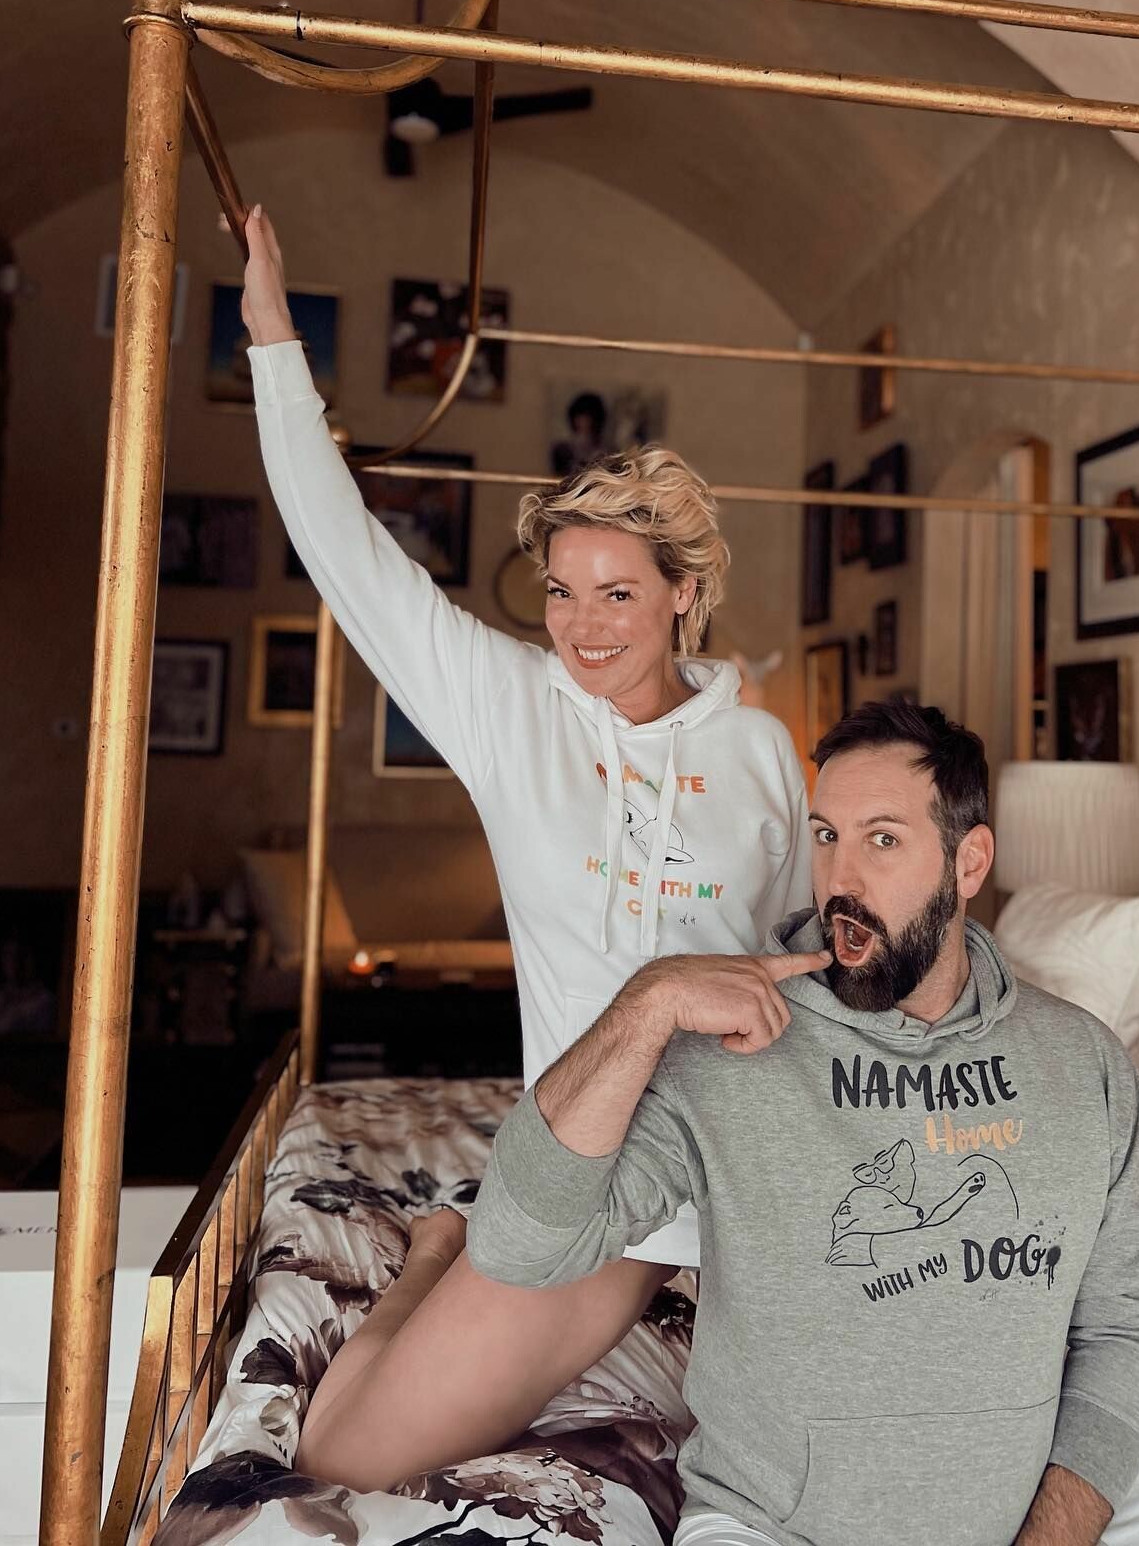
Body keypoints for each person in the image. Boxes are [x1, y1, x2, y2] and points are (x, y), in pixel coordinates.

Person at [238, 206, 813, 1490]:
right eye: (561, 590)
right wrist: (274, 334)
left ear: (683, 594)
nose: (584, 625)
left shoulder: (765, 754)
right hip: (590, 1176)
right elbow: (351, 559)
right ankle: (443, 1251)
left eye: (618, 592)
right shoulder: (509, 709)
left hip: (734, 1171)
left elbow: (795, 964)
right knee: (344, 1448)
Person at [466, 698, 1139, 1546]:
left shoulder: (1084, 1066)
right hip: (766, 1525)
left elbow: (1125, 1326)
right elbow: (516, 1246)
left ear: (969, 861)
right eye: (828, 836)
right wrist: (647, 1005)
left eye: (883, 840)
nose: (842, 879)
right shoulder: (731, 1051)